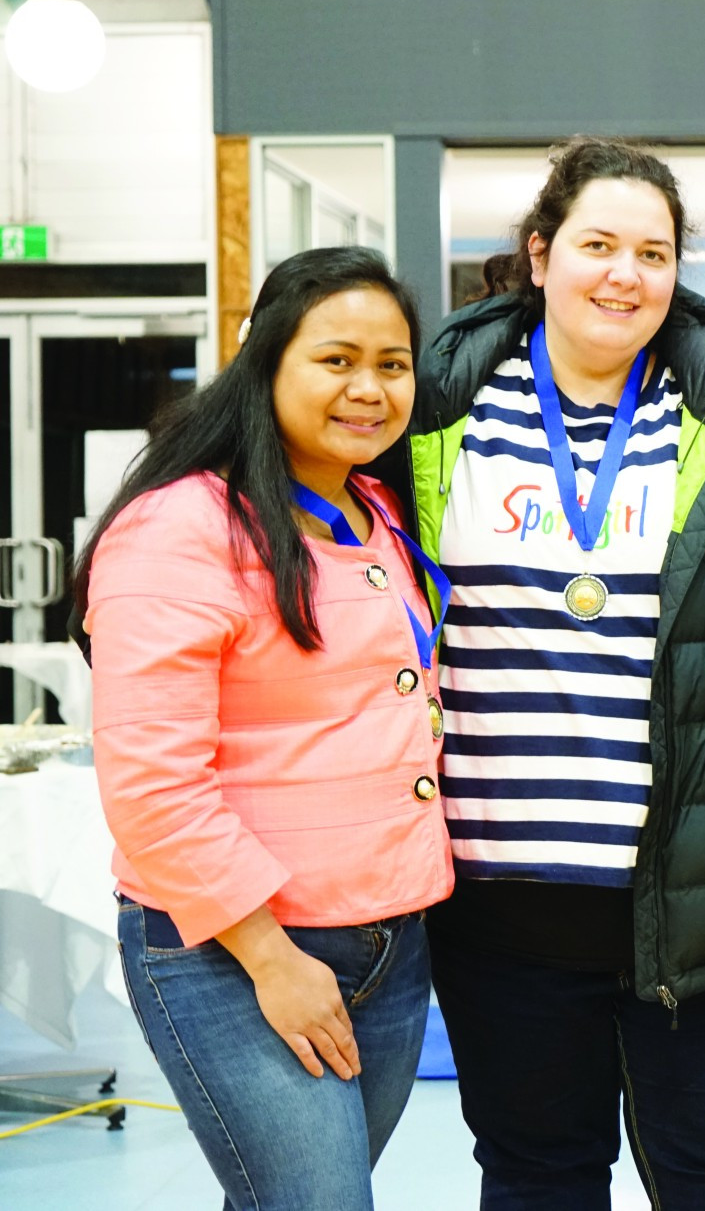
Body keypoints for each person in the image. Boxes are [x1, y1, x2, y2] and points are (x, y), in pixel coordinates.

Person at [392, 138, 705, 1208]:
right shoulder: (434, 413)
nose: (624, 274)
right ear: (539, 253)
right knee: (536, 1178)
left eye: (654, 251)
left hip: (703, 900)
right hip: (499, 899)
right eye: (597, 244)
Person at [79, 247, 451, 1209]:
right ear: (267, 363)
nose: (369, 388)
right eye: (336, 359)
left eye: (393, 363)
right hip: (234, 949)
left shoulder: (374, 511)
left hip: (388, 939)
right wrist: (270, 957)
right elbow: (152, 784)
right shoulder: (180, 526)